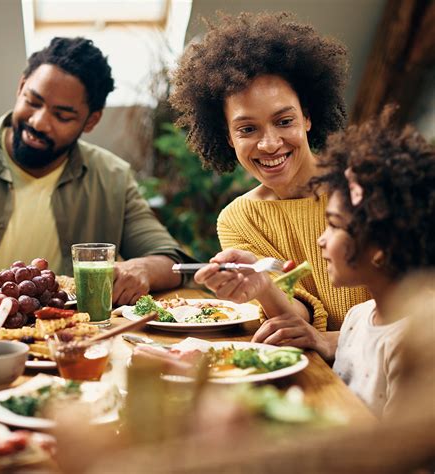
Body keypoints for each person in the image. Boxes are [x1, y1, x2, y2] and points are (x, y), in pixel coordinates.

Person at [170, 12, 369, 354]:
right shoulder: (239, 219)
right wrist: (262, 286)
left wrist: (331, 341)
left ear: (307, 117)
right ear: (228, 137)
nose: (269, 144)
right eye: (248, 129)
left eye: (284, 120)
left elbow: (414, 309)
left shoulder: (362, 188)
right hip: (313, 371)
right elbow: (298, 318)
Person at [0, 37, 190, 305]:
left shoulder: (112, 177)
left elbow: (173, 261)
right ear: (21, 86)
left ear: (91, 121)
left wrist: (142, 269)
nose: (39, 122)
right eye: (33, 101)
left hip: (67, 336)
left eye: (62, 116)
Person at [314, 105, 435, 416]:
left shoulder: (415, 340)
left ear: (382, 246)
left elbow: (402, 455)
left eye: (335, 225)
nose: (321, 239)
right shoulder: (357, 318)